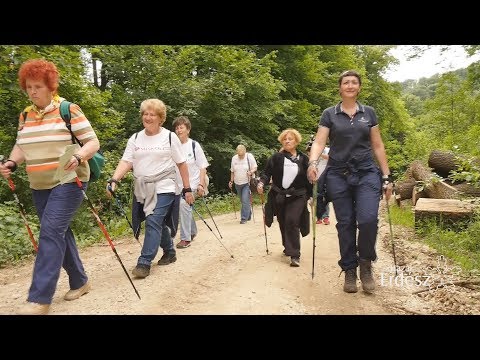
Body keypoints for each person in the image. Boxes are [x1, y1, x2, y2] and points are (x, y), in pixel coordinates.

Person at [0, 59, 100, 315]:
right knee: (58, 232)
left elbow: (92, 142)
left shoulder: (68, 110)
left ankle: (39, 299)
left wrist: (78, 157)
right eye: (29, 87)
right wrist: (12, 162)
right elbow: (22, 145)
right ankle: (80, 281)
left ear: (50, 87)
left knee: (50, 231)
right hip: (39, 184)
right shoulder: (25, 115)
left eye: (38, 86)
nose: (32, 91)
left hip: (69, 180)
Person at [307, 70, 394, 294]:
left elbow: (378, 146)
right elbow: (319, 141)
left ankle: (366, 264)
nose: (350, 85)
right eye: (346, 82)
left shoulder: (369, 113)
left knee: (367, 220)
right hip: (338, 173)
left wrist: (386, 177)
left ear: (359, 88)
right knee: (345, 223)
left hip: (366, 172)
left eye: (354, 82)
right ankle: (349, 269)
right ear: (340, 88)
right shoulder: (330, 114)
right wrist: (313, 164)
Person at [106, 99, 194, 279]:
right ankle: (169, 251)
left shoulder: (170, 137)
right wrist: (115, 179)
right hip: (142, 187)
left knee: (153, 219)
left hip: (165, 185)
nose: (147, 117)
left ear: (160, 118)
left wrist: (187, 188)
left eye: (152, 114)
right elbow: (127, 161)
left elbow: (182, 164)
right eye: (145, 114)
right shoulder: (136, 138)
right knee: (155, 221)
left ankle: (144, 263)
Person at [257, 129, 312, 267]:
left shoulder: (304, 159)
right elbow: (266, 173)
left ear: (296, 141)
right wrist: (261, 183)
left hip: (298, 195)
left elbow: (309, 179)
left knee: (292, 220)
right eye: (285, 139)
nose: (287, 141)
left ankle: (295, 254)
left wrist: (311, 196)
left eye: (290, 139)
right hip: (279, 195)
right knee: (282, 221)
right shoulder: (276, 158)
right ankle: (287, 246)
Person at [172, 116, 209, 249]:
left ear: (188, 129)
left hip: (193, 184)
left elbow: (202, 166)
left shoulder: (194, 145)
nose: (178, 130)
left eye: (181, 127)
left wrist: (200, 184)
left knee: (183, 205)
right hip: (178, 185)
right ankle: (192, 231)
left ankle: (185, 238)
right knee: (185, 207)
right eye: (176, 128)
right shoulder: (173, 146)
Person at [228, 144, 257, 224]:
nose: (240, 156)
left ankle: (244, 218)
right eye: (239, 155)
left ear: (245, 151)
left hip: (247, 182)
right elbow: (232, 171)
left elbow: (255, 167)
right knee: (243, 201)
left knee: (245, 200)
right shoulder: (234, 158)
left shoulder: (249, 156)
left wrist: (251, 171)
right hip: (237, 183)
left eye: (242, 155)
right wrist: (231, 181)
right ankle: (249, 214)